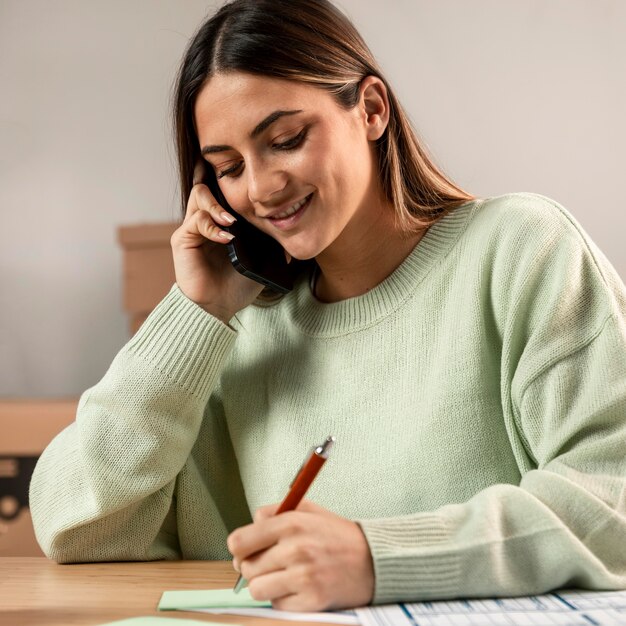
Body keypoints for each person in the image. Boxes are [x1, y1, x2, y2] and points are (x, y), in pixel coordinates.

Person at [30, 0, 626, 612]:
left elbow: (611, 501)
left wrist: (377, 558)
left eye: (286, 140)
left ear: (370, 110)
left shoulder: (521, 249)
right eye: (228, 167)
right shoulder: (234, 332)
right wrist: (194, 311)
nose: (260, 188)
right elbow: (78, 527)